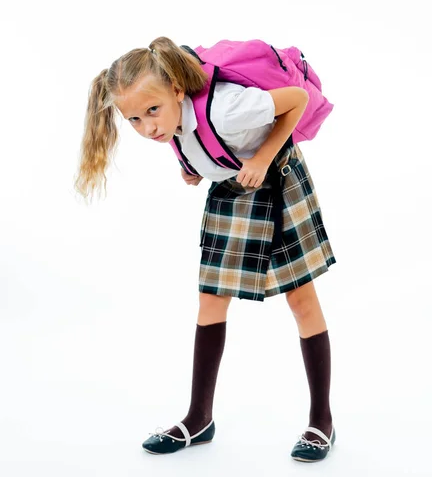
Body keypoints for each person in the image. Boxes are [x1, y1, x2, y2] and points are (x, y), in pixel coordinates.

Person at [74, 36, 337, 462]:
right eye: (135, 120)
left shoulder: (228, 109)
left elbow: (296, 100)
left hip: (276, 178)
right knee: (211, 299)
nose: (147, 128)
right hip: (232, 187)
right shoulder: (170, 123)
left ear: (177, 90)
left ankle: (321, 420)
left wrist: (263, 157)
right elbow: (188, 135)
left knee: (301, 299)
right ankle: (199, 418)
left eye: (152, 111)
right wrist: (193, 166)